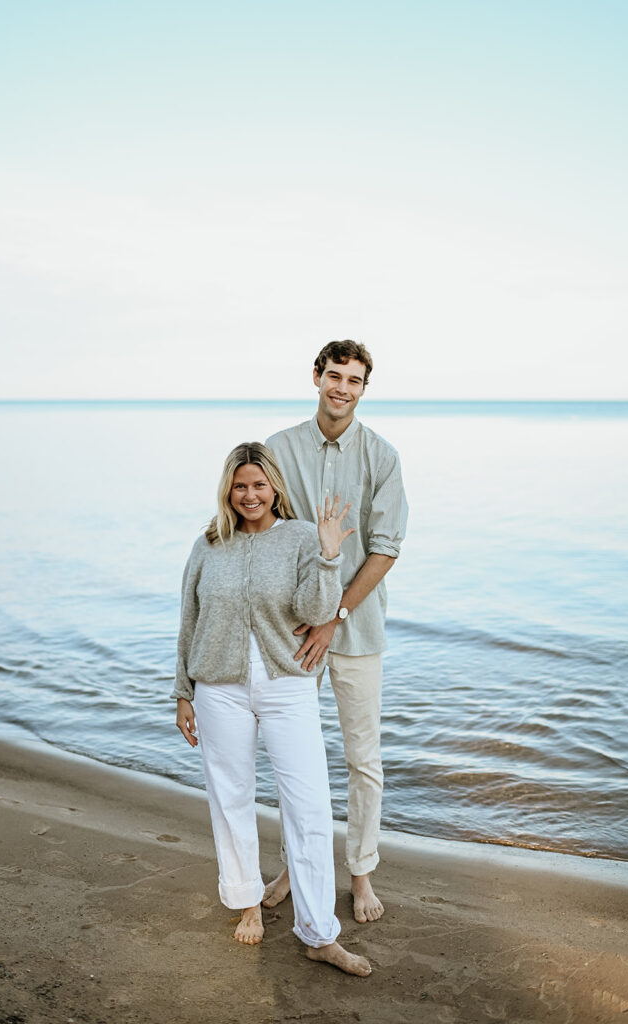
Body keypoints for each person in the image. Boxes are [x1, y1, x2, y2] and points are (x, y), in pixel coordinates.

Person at [172, 442, 371, 977]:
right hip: (219, 688)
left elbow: (314, 611)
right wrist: (183, 691)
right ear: (228, 491)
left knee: (307, 807)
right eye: (240, 486)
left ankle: (319, 933)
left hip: (288, 686)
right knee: (230, 796)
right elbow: (188, 619)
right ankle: (246, 902)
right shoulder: (209, 544)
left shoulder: (304, 537)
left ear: (275, 487)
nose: (250, 495)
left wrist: (330, 555)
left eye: (259, 485)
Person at [265, 340, 408, 924]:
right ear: (316, 377)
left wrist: (336, 615)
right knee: (293, 756)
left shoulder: (382, 456)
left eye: (354, 379)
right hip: (293, 628)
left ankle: (361, 872)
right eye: (334, 376)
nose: (342, 388)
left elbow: (386, 548)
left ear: (364, 388)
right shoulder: (278, 449)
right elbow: (262, 530)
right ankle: (291, 867)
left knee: (362, 759)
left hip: (356, 628)